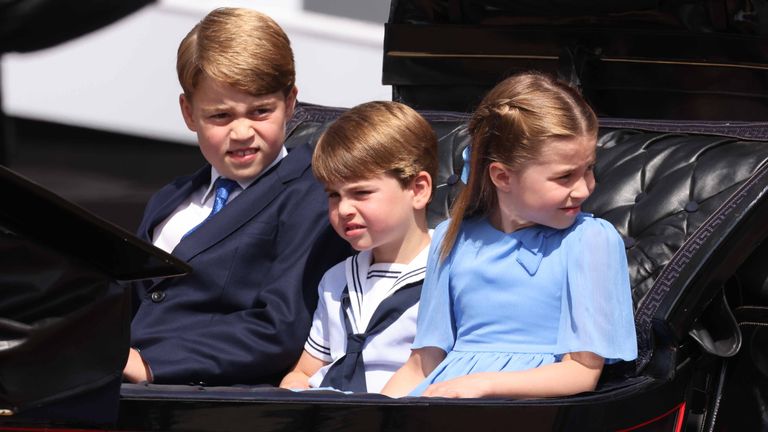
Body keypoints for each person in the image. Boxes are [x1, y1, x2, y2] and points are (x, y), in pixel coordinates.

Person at [123, 7, 349, 386]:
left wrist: (150, 364)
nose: (242, 132)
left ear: (291, 103)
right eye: (221, 116)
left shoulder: (314, 194)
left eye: (261, 111)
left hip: (213, 398)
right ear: (188, 112)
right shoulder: (170, 198)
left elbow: (283, 325)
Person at [382, 71, 638, 398]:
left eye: (588, 169)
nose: (585, 188)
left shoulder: (590, 240)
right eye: (564, 177)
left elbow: (582, 371)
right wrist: (375, 414)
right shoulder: (452, 238)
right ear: (503, 176)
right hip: (444, 406)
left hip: (526, 412)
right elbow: (423, 364)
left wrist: (483, 384)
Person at [279, 101, 437, 393]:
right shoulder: (335, 280)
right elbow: (305, 371)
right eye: (334, 195)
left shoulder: (447, 275)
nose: (345, 209)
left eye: (361, 193)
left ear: (418, 190)